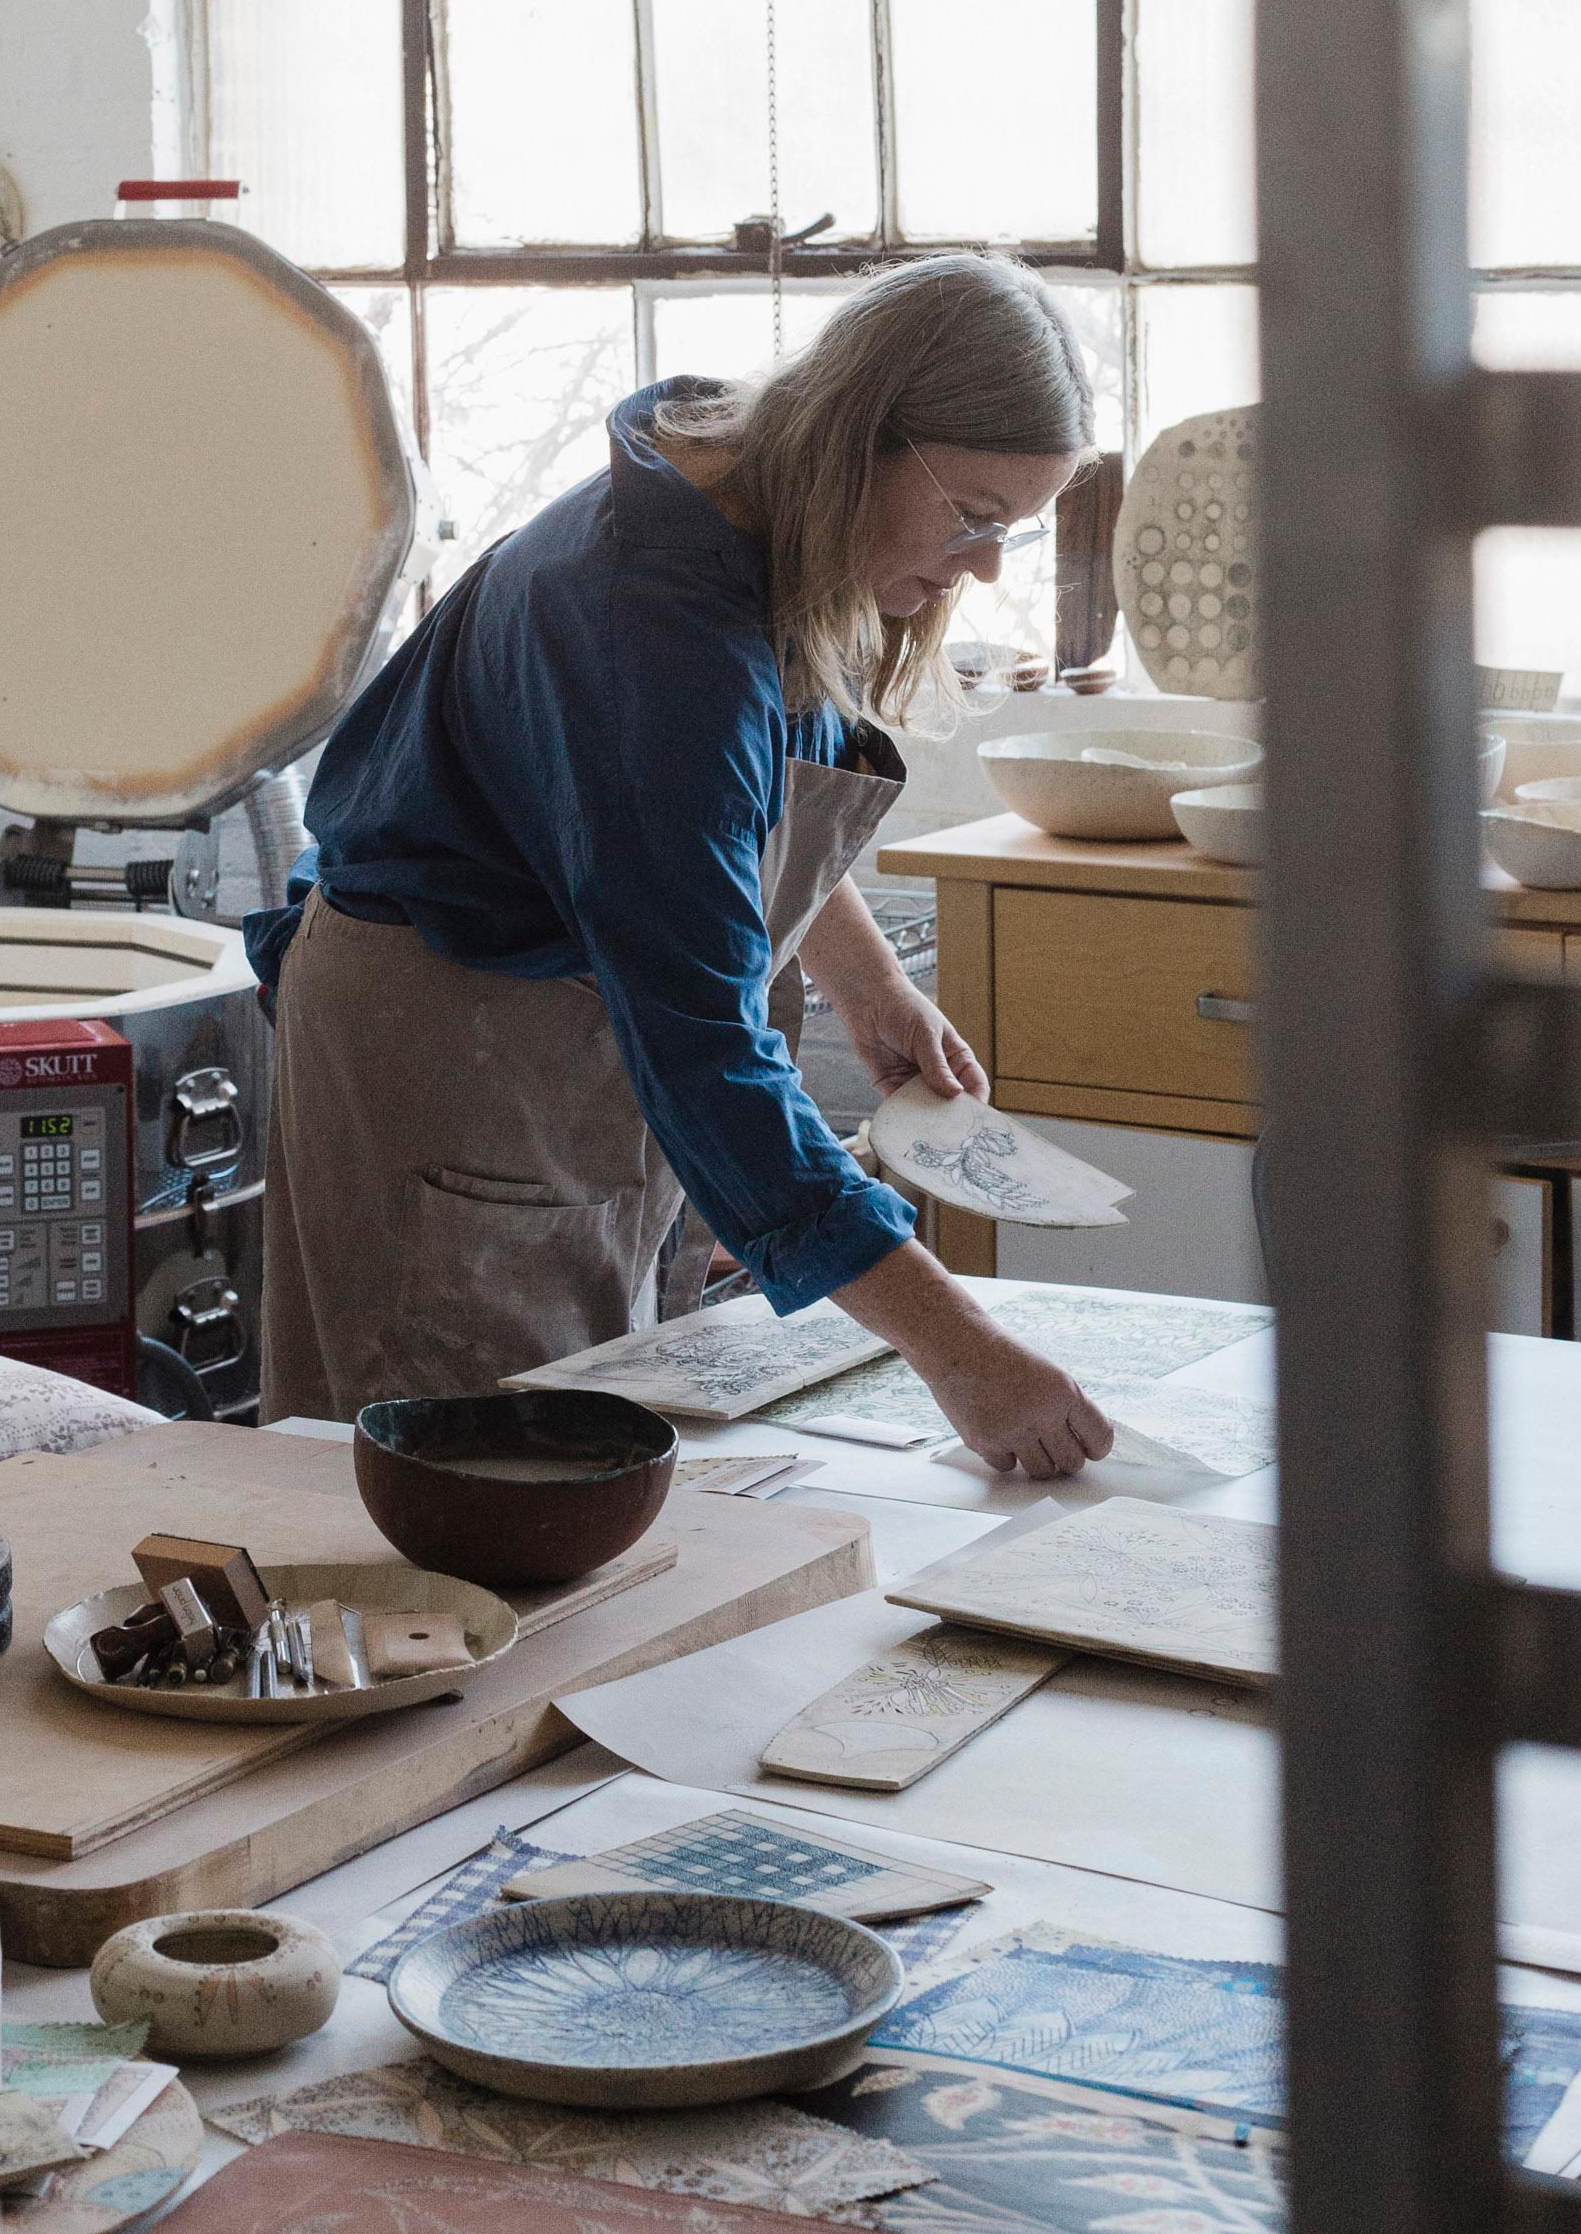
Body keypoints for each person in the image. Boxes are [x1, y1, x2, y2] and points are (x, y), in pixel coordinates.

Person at [250, 251, 1115, 1481]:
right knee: (478, 1486)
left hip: (574, 1027)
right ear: (860, 435)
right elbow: (705, 1043)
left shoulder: (762, 513)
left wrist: (869, 987)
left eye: (1011, 535)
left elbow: (735, 809)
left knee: (593, 1442)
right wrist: (959, 1347)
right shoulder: (651, 631)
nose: (980, 567)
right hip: (457, 1047)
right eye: (972, 515)